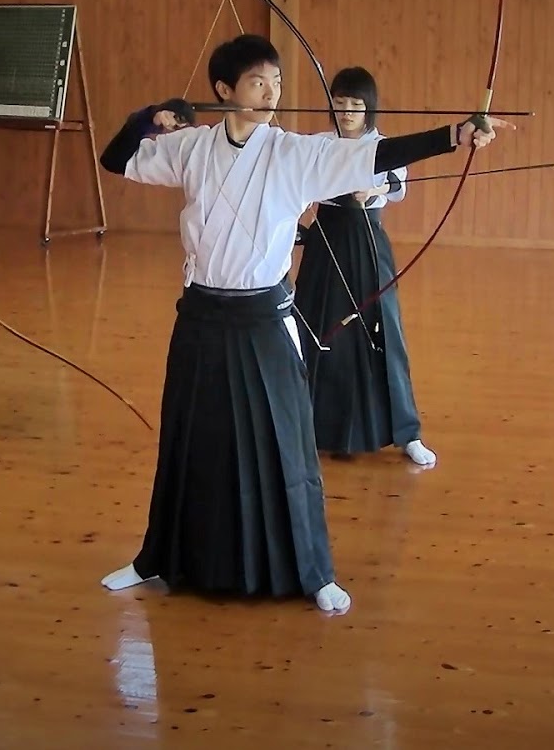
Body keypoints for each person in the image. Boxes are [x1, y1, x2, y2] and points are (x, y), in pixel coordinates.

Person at [96, 34, 509, 613]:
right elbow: (116, 158)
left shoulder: (294, 152)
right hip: (201, 315)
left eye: (277, 82)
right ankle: (156, 558)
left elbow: (375, 155)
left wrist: (453, 136)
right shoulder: (189, 147)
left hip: (264, 316)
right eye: (258, 82)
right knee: (188, 439)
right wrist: (150, 116)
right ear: (224, 90)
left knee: (289, 445)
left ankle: (314, 571)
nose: (272, 93)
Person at [293, 67, 435, 467]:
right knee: (314, 328)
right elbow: (298, 183)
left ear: (369, 108)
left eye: (356, 105)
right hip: (327, 240)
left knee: (384, 328)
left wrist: (372, 188)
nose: (348, 113)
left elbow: (399, 185)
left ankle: (407, 432)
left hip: (368, 240)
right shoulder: (320, 144)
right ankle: (304, 428)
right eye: (340, 104)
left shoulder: (382, 146)